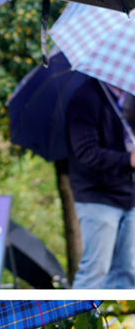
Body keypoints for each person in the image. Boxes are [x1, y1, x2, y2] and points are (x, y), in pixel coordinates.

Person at [66, 78, 135, 289]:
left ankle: (122, 321)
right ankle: (76, 320)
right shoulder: (84, 98)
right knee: (96, 270)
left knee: (129, 271)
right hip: (97, 196)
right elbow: (86, 153)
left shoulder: (131, 97)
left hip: (130, 194)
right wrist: (128, 160)